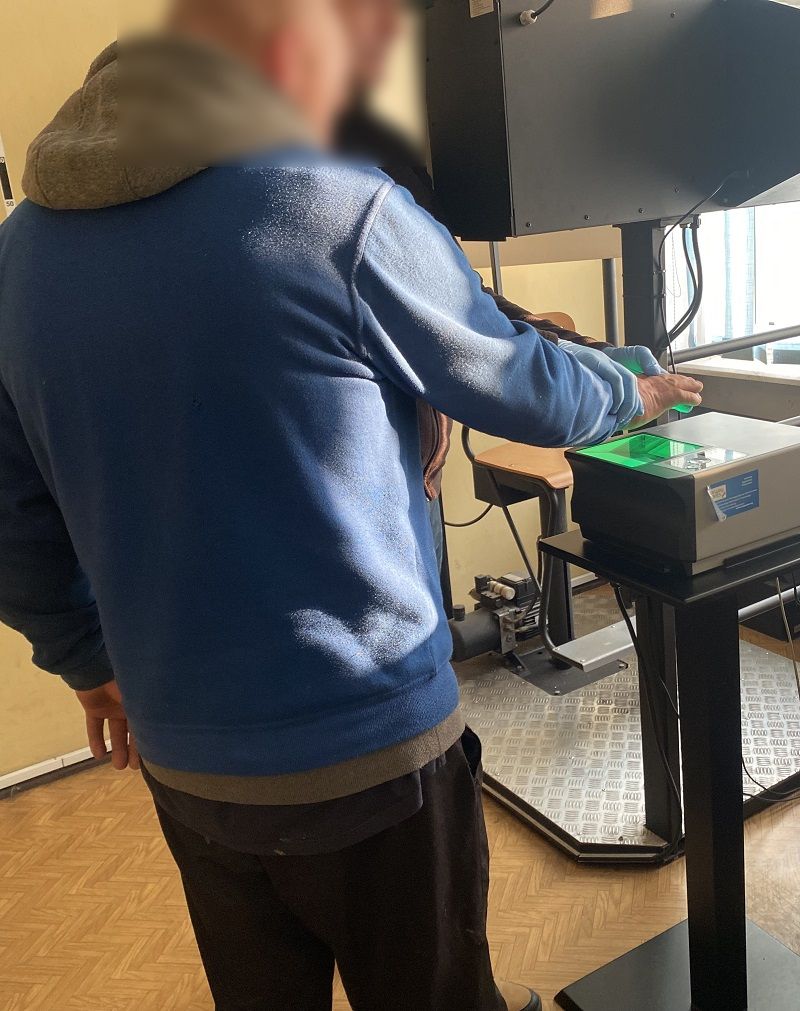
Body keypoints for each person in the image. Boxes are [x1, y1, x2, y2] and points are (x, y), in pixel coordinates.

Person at [0, 2, 702, 1009]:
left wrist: (85, 661)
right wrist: (629, 387)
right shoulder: (336, 210)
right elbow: (524, 388)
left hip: (187, 760)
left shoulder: (19, 256)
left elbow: (13, 520)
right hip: (368, 753)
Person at [335, 0, 667, 572]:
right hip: (368, 524)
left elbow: (464, 299)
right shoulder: (355, 204)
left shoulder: (176, 192)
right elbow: (514, 383)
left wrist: (589, 352)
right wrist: (627, 394)